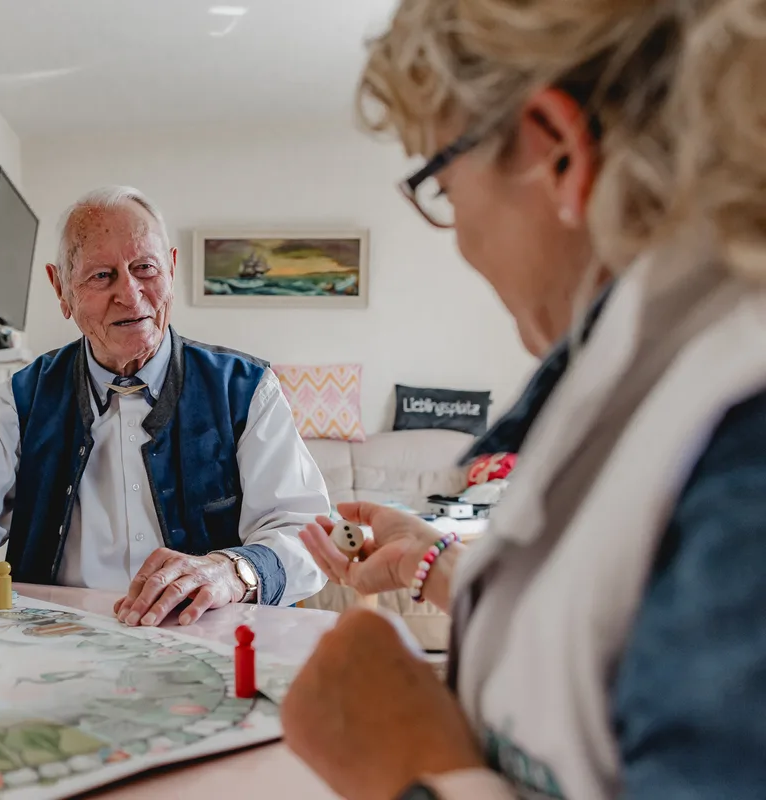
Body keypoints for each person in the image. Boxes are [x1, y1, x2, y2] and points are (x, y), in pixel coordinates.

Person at [280, 1, 766, 798]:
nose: (461, 238)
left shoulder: (740, 442)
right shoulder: (648, 371)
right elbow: (611, 626)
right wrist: (433, 565)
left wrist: (408, 765)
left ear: (557, 152)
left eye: (444, 187)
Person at [0, 186, 329, 625]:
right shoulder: (17, 403)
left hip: (215, 643)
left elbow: (305, 534)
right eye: (102, 275)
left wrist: (233, 571)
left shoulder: (246, 390)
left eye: (145, 268)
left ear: (171, 270)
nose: (130, 294)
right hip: (61, 653)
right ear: (61, 289)